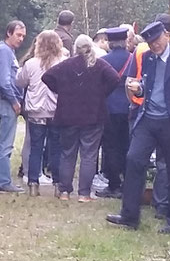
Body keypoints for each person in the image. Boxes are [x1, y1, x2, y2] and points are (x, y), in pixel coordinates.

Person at [107, 17, 170, 234]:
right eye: (150, 43)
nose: (155, 46)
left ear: (166, 36)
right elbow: (147, 88)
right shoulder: (147, 58)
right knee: (133, 160)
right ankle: (130, 216)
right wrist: (138, 90)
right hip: (148, 118)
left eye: (157, 41)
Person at [40, 34, 122, 201]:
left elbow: (46, 77)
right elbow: (115, 78)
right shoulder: (99, 65)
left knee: (68, 153)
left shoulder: (66, 65)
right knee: (89, 155)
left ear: (75, 48)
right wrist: (101, 94)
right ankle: (84, 194)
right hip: (93, 116)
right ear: (90, 46)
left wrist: (61, 90)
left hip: (68, 115)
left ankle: (64, 192)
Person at [14, 30, 64, 195]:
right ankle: (58, 184)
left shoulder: (31, 64)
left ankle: (33, 184)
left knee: (36, 148)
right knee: (56, 148)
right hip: (57, 110)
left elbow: (20, 82)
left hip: (36, 111)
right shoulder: (63, 63)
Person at [97, 26, 135, 199]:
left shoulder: (103, 61)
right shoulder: (133, 59)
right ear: (125, 41)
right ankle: (129, 183)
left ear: (110, 43)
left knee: (110, 147)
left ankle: (113, 185)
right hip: (129, 107)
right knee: (127, 146)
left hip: (109, 108)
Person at [0, 20, 27, 192]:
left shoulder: (8, 51)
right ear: (9, 33)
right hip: (6, 102)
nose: (21, 39)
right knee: (6, 143)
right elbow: (4, 82)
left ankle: (3, 180)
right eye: (18, 35)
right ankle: (4, 182)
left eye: (23, 36)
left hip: (7, 101)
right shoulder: (4, 52)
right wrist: (14, 102)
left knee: (5, 142)